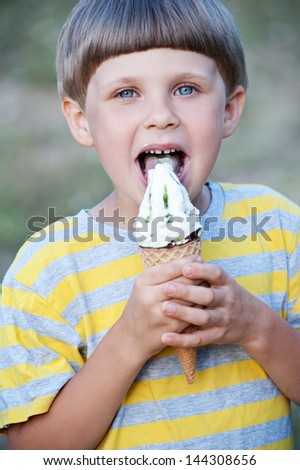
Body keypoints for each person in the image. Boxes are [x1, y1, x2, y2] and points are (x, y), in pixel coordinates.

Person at [1, 0, 300, 450]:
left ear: (230, 110)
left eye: (186, 89)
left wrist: (256, 326)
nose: (161, 115)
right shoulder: (47, 270)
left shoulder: (277, 226)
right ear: (82, 121)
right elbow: (32, 452)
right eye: (126, 93)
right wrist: (129, 340)